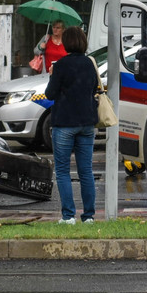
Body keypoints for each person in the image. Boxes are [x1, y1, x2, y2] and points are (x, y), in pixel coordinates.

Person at [43, 26, 98, 224]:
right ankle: (89, 216)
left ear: (67, 43)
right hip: (86, 123)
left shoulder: (61, 65)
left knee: (64, 170)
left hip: (65, 123)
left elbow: (50, 94)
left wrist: (52, 75)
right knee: (86, 171)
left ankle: (68, 216)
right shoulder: (90, 64)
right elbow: (94, 89)